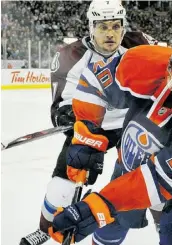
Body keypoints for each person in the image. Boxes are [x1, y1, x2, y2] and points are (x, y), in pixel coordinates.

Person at [48, 23, 172, 245]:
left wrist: (98, 205)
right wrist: (88, 136)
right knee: (112, 224)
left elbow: (156, 182)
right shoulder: (144, 62)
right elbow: (94, 81)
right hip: (135, 151)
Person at [19, 1, 157, 245]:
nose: (110, 33)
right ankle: (46, 228)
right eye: (103, 27)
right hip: (92, 125)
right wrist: (69, 118)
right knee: (62, 187)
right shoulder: (70, 56)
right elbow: (61, 105)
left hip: (131, 124)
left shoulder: (141, 44)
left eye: (116, 26)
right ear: (91, 27)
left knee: (136, 185)